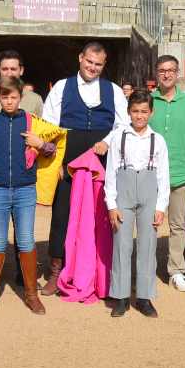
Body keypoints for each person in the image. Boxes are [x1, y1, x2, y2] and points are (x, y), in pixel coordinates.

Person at [41, 41, 129, 293]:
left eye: (98, 64)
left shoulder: (113, 90)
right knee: (62, 214)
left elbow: (122, 125)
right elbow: (49, 127)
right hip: (69, 160)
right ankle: (56, 269)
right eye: (89, 61)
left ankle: (102, 271)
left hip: (102, 160)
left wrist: (107, 142)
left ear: (104, 66)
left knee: (101, 214)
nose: (92, 67)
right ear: (81, 58)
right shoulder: (61, 87)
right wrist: (55, 162)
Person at [0, 77, 56, 316]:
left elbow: (53, 149)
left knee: (26, 240)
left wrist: (40, 143)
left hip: (25, 190)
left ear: (21, 97)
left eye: (13, 97)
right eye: (4, 97)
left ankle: (31, 295)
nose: (9, 101)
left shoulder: (32, 122)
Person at [0, 49, 44, 276]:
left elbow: (44, 135)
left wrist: (40, 145)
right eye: (5, 69)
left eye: (14, 68)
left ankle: (25, 281)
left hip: (24, 181)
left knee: (24, 235)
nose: (9, 72)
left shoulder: (34, 101)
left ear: (21, 71)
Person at [105, 90, 170, 317]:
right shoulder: (118, 137)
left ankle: (144, 297)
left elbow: (163, 176)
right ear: (128, 112)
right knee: (122, 244)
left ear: (151, 113)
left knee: (148, 245)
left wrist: (161, 207)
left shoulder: (158, 140)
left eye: (144, 111)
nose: (139, 116)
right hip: (124, 190)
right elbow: (111, 173)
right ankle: (121, 297)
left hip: (148, 192)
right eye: (135, 111)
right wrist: (111, 205)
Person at [149, 55, 185, 292]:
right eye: (162, 70)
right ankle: (146, 268)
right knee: (148, 223)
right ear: (156, 73)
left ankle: (176, 270)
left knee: (177, 224)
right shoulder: (147, 100)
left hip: (180, 172)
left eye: (171, 70)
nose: (167, 74)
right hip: (150, 173)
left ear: (178, 72)